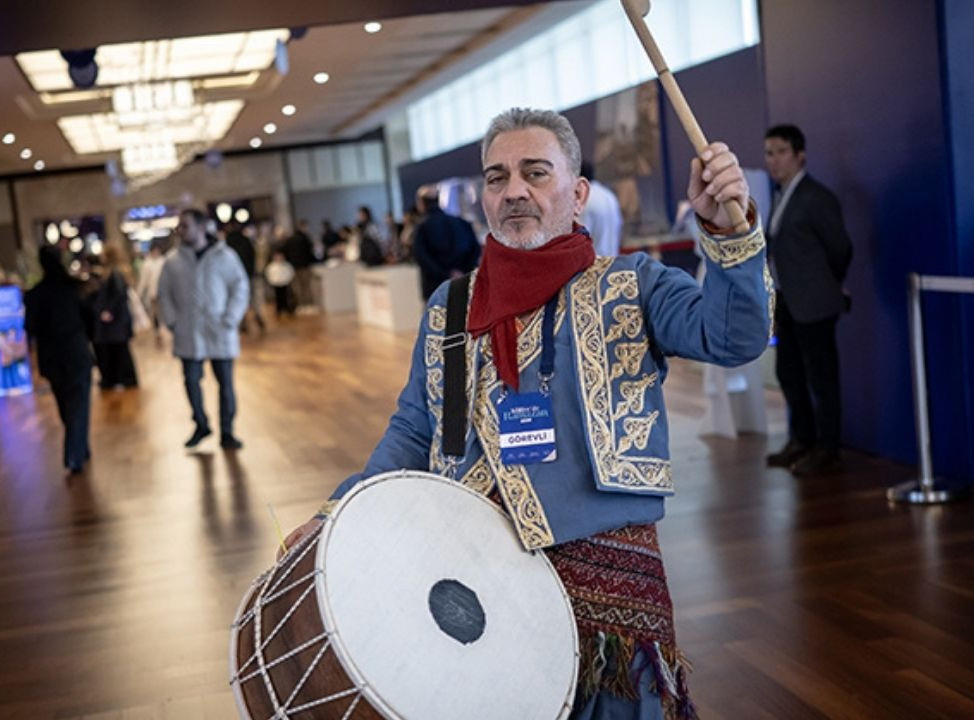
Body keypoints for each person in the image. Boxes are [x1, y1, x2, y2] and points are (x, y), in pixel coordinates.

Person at [282, 108, 771, 719]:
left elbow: (733, 338)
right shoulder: (450, 307)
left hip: (609, 590)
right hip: (474, 575)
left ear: (578, 193)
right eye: (497, 177)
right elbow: (414, 430)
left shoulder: (633, 284)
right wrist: (337, 515)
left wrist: (729, 233)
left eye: (535, 173)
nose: (514, 190)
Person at [760, 124, 852, 475]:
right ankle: (802, 440)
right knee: (789, 373)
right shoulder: (782, 196)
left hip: (814, 303)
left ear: (800, 155)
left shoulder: (817, 197)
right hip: (787, 301)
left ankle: (828, 448)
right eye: (769, 152)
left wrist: (828, 285)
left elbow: (841, 249)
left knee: (822, 378)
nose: (773, 160)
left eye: (781, 151)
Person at [158, 208, 250, 451]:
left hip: (219, 328)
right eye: (180, 226)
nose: (181, 230)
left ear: (201, 227)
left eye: (186, 225)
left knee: (226, 384)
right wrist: (172, 321)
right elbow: (163, 294)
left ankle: (227, 432)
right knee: (191, 381)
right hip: (188, 331)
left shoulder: (224, 256)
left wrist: (231, 317)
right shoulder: (173, 261)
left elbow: (240, 287)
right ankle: (201, 423)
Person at [24, 245, 94, 474]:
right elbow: (89, 319)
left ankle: (79, 448)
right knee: (78, 402)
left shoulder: (35, 294)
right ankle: (75, 451)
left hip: (51, 355)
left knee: (65, 403)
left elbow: (30, 327)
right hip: (75, 352)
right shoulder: (73, 288)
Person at [411, 186, 481, 299]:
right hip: (464, 285)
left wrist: (445, 274)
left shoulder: (422, 227)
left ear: (421, 203)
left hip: (435, 289)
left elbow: (421, 256)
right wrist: (463, 272)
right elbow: (475, 250)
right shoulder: (461, 223)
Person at [88, 246, 139, 389]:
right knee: (119, 350)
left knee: (119, 350)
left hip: (115, 321)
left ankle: (124, 379)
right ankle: (123, 378)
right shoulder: (117, 272)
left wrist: (108, 311)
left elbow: (118, 294)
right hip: (118, 320)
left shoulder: (114, 273)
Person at [226, 222, 266, 333]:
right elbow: (252, 256)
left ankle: (243, 321)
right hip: (248, 274)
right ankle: (257, 316)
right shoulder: (246, 240)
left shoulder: (228, 243)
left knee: (238, 298)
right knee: (252, 298)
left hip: (234, 277)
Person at [580, 160, 623, 257]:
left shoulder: (584, 199)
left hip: (594, 266)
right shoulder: (609, 195)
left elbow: (581, 237)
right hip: (613, 261)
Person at [135, 243, 168, 343]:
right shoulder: (147, 264)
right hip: (154, 294)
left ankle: (166, 331)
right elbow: (143, 281)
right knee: (156, 315)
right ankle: (158, 333)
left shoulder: (165, 261)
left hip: (166, 294)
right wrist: (138, 294)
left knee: (166, 313)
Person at [284, 219, 318, 310]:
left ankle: (301, 305)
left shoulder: (290, 239)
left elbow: (286, 252)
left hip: (294, 265)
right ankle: (308, 304)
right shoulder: (305, 238)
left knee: (297, 286)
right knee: (306, 285)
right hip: (304, 265)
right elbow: (309, 252)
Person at [264, 249, 295, 317]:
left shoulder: (286, 265)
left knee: (285, 296)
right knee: (278, 297)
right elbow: (269, 274)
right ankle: (279, 309)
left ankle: (286, 308)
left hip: (284, 283)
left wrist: (287, 280)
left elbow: (291, 273)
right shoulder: (271, 266)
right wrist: (272, 281)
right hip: (276, 284)